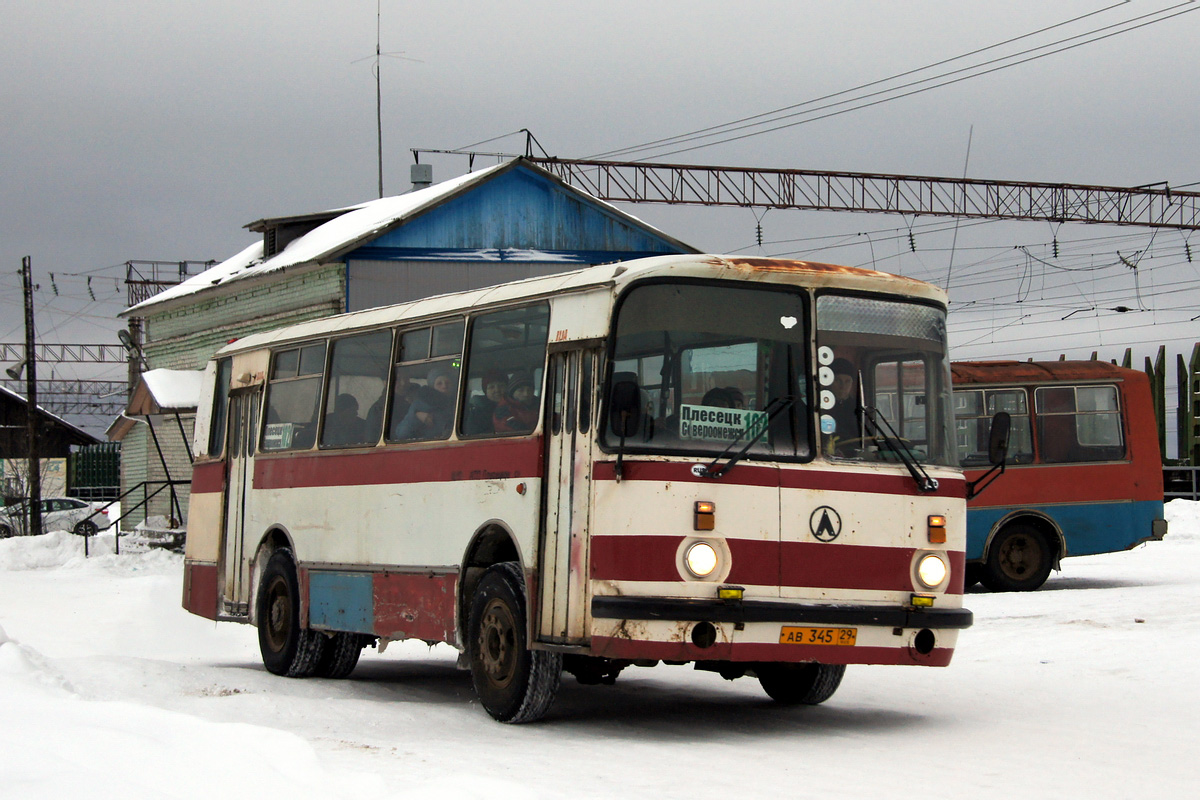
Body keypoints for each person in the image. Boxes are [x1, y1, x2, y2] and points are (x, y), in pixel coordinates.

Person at [393, 363, 458, 440]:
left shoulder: (460, 403)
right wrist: (416, 417)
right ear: (432, 386)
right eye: (439, 383)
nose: (444, 386)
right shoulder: (420, 404)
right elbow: (401, 433)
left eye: (447, 383)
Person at [826, 357, 861, 450]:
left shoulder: (858, 408)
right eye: (838, 381)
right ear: (829, 382)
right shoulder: (820, 403)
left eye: (847, 381)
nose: (843, 387)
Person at [463, 370, 507, 435]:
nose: (497, 390)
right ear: (485, 391)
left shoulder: (516, 407)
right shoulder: (476, 414)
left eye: (501, 386)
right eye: (491, 387)